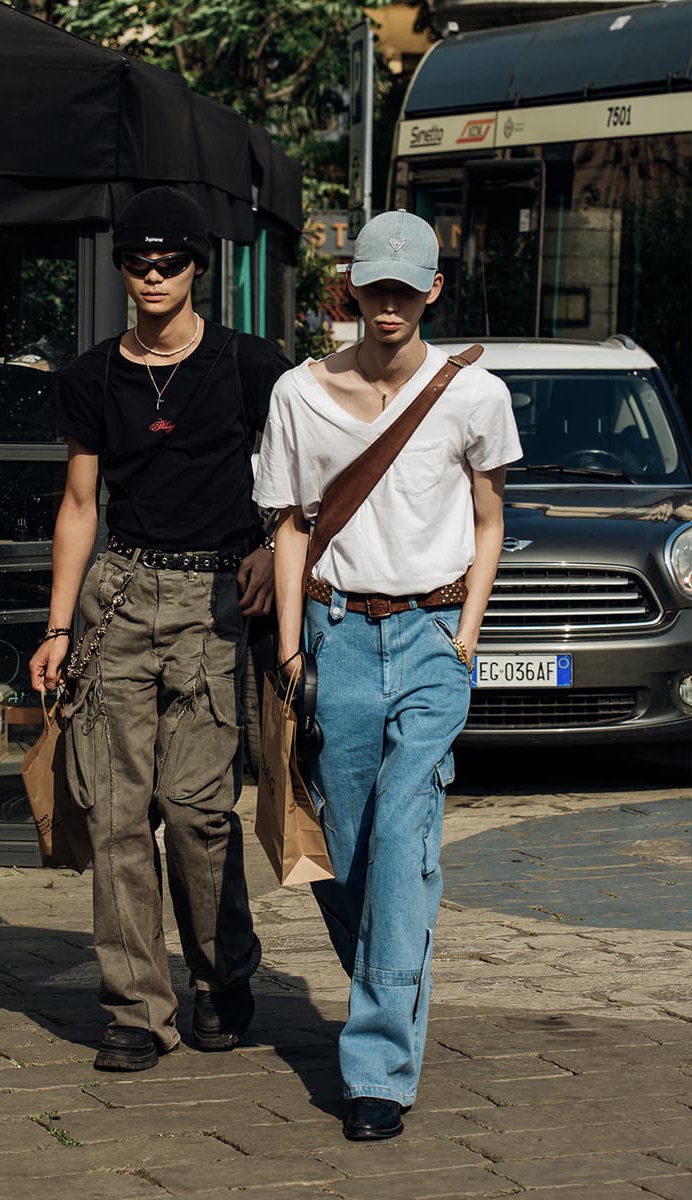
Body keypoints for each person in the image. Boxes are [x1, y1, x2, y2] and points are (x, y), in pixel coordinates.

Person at [253, 210, 522, 1140]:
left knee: (406, 833)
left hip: (432, 638)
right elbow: (289, 525)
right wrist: (291, 650)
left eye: (409, 288)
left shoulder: (476, 396)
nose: (392, 303)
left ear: (434, 291)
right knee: (347, 851)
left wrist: (468, 633)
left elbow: (490, 520)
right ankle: (388, 973)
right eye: (377, 286)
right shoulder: (299, 393)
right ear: (354, 288)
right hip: (333, 634)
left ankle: (377, 1073)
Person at [29, 186, 291, 1071]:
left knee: (195, 809)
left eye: (168, 260)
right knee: (114, 814)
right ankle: (138, 1008)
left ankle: (223, 973)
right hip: (120, 595)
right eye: (138, 261)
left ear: (195, 268)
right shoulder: (91, 376)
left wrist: (269, 548)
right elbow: (78, 504)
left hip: (218, 600)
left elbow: (303, 484)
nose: (152, 273)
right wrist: (58, 627)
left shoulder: (253, 367)